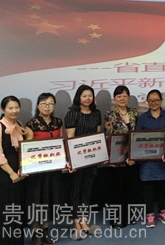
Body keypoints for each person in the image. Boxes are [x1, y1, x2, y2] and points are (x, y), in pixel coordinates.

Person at [0, 95, 33, 245]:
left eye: (16, 107)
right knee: (4, 210)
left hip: (19, 174)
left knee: (17, 210)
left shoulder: (19, 125)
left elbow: (24, 149)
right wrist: (12, 173)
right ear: (3, 110)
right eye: (10, 108)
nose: (14, 111)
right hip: (3, 175)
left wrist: (22, 169)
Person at [64, 85, 102, 240]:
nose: (87, 98)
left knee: (87, 190)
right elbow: (70, 138)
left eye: (90, 95)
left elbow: (98, 136)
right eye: (84, 95)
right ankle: (76, 223)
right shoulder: (72, 114)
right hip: (77, 159)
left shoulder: (96, 113)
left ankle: (84, 220)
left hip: (92, 158)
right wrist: (71, 160)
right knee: (75, 191)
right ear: (78, 97)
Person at [25, 93, 63, 245]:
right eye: (44, 104)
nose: (47, 107)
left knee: (49, 199)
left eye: (51, 104)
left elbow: (62, 143)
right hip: (37, 170)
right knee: (36, 200)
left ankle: (45, 230)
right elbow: (27, 148)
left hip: (53, 169)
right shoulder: (31, 124)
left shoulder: (58, 122)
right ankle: (36, 233)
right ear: (38, 105)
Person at [103, 85, 139, 228]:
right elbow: (108, 136)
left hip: (131, 157)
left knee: (129, 188)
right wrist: (110, 157)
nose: (122, 99)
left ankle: (128, 216)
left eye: (124, 96)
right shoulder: (110, 114)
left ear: (128, 97)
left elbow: (138, 135)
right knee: (116, 190)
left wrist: (134, 155)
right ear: (114, 99)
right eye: (119, 96)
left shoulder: (134, 112)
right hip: (116, 158)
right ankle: (115, 218)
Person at [136, 89, 165, 228]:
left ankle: (163, 212)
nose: (154, 103)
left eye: (156, 100)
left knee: (163, 188)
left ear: (161, 101)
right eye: (151, 101)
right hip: (147, 160)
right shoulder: (142, 117)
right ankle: (150, 214)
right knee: (148, 189)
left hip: (163, 159)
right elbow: (137, 138)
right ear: (147, 102)